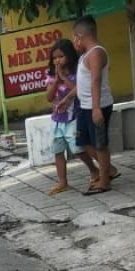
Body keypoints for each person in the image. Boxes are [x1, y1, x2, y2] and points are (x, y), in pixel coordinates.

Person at [70, 15, 117, 195]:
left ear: (80, 36)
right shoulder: (84, 56)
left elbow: (96, 79)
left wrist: (96, 108)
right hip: (84, 106)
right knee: (82, 142)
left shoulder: (97, 52)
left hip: (98, 106)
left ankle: (104, 180)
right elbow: (83, 83)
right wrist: (67, 98)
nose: (74, 41)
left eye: (75, 37)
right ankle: (109, 169)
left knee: (100, 144)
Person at [44, 40, 97, 195]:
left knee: (77, 148)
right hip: (57, 119)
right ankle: (62, 181)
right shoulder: (50, 75)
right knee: (58, 149)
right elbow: (49, 96)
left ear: (69, 56)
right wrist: (56, 80)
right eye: (54, 58)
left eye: (61, 56)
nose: (58, 60)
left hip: (73, 116)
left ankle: (94, 170)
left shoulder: (76, 72)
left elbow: (78, 90)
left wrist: (64, 77)